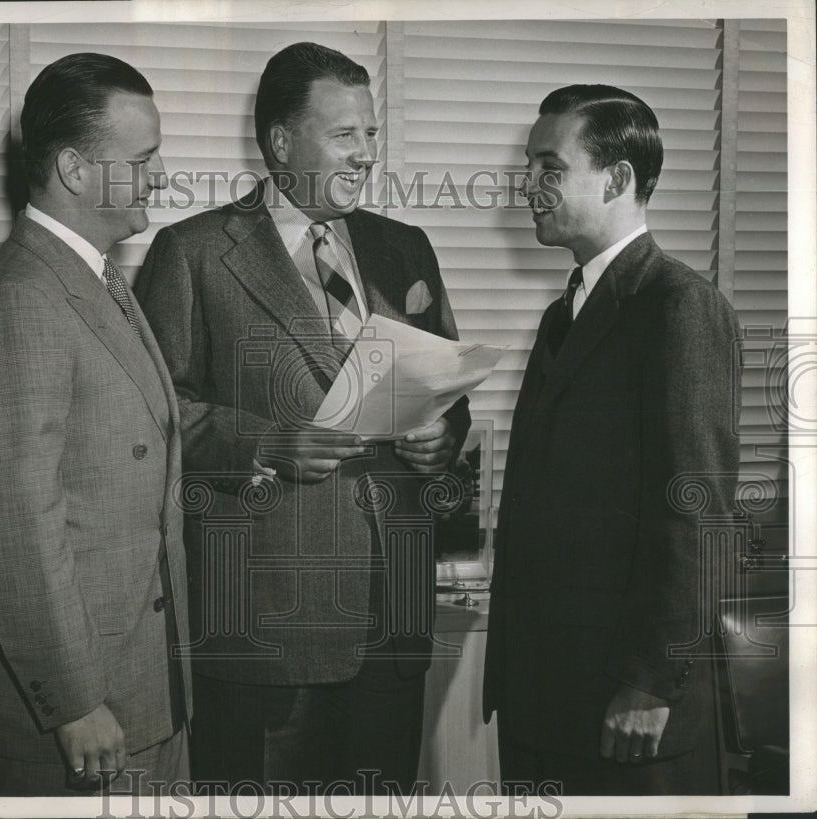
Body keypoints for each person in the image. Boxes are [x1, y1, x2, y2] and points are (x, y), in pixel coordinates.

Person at [134, 42, 471, 794]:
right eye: (345, 135)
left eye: (372, 135)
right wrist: (264, 442)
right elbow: (157, 420)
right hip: (263, 627)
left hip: (394, 621)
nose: (366, 155)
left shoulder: (405, 247)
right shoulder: (190, 253)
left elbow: (452, 398)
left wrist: (438, 441)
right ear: (282, 144)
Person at [482, 84, 741, 795]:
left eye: (548, 167)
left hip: (627, 710)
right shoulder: (564, 314)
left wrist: (650, 684)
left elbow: (698, 516)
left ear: (618, 178)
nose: (528, 187)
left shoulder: (680, 306)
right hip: (546, 699)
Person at [0, 52, 191, 795]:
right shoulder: (22, 299)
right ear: (76, 170)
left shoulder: (94, 277)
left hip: (142, 689)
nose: (160, 176)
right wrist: (75, 700)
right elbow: (18, 522)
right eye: (142, 158)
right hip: (82, 719)